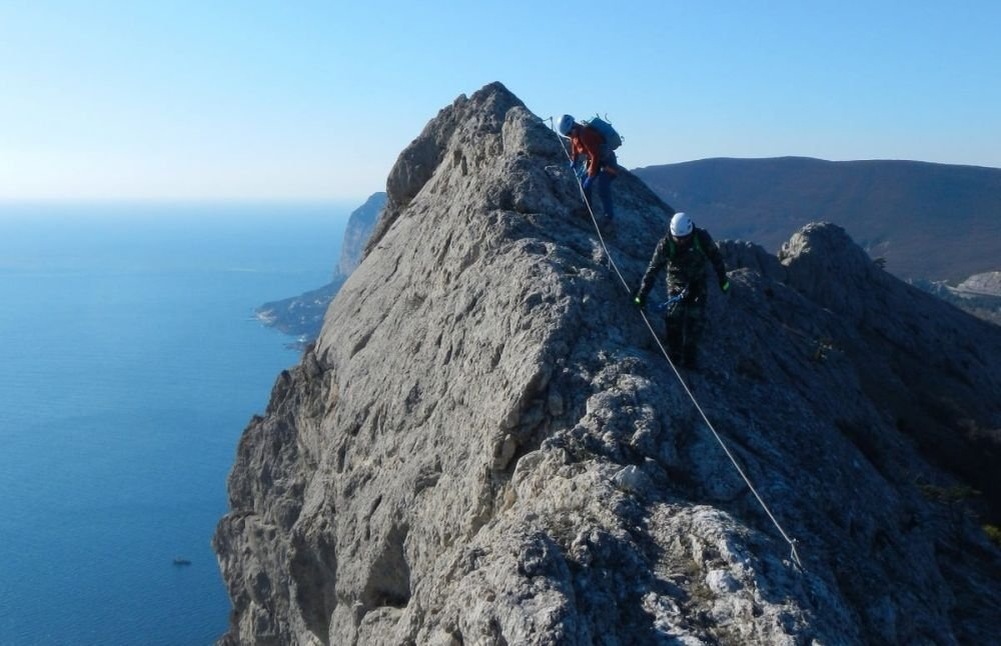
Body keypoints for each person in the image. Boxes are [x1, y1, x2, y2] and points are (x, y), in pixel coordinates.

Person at [633, 212, 731, 369]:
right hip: (676, 280)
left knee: (695, 319)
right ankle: (674, 354)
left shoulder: (701, 237)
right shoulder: (665, 244)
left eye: (684, 238)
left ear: (690, 232)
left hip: (697, 282)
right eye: (678, 239)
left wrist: (723, 280)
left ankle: (690, 357)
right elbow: (653, 269)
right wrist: (641, 295)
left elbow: (716, 258)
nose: (681, 242)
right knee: (673, 317)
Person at [557, 114, 618, 223]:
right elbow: (575, 147)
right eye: (568, 135)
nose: (569, 136)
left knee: (603, 187)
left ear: (572, 127)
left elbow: (595, 155)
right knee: (583, 181)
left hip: (607, 162)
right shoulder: (575, 135)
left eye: (569, 133)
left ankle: (609, 218)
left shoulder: (585, 134)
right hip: (596, 160)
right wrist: (574, 160)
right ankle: (586, 209)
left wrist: (591, 176)